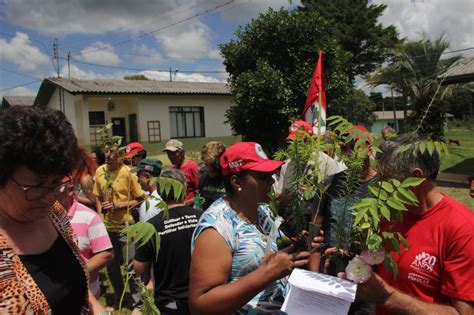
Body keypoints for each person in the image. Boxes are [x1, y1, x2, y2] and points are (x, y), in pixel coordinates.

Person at [352, 134, 474, 314]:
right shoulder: (389, 215)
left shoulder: (462, 228)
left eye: (386, 179)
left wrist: (387, 298)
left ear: (416, 177)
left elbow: (464, 312)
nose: (378, 187)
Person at [0, 106, 105, 314]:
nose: (49, 197)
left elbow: (76, 284)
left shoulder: (56, 214)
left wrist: (98, 308)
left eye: (57, 182)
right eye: (37, 187)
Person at [189, 142, 311, 314]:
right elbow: (201, 304)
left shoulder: (263, 211)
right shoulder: (216, 229)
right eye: (262, 177)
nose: (271, 181)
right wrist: (267, 273)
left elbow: (270, 257)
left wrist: (299, 249)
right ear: (236, 182)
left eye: (270, 174)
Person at [134, 169, 203, 314]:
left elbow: (139, 267)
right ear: (183, 190)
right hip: (203, 294)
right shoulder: (202, 217)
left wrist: (148, 278)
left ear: (159, 191)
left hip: (170, 301)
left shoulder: (150, 226)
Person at [93, 144, 146, 312]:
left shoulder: (128, 172)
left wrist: (119, 205)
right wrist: (101, 218)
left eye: (112, 153)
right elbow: (98, 197)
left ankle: (138, 303)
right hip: (107, 227)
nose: (108, 156)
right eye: (106, 152)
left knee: (131, 266)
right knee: (111, 265)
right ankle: (119, 296)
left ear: (121, 156)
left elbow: (140, 198)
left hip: (126, 226)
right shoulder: (100, 171)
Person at [59, 179, 114, 299]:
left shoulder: (90, 218)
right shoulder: (42, 216)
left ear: (70, 190)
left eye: (56, 189)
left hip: (86, 294)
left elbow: (106, 254)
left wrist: (75, 275)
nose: (49, 195)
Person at [163, 139, 198, 206]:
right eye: (168, 154)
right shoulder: (173, 169)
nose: (170, 157)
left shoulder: (191, 167)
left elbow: (200, 193)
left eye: (173, 154)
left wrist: (186, 203)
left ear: (182, 153)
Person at [198, 141, 226, 210]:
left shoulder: (230, 178)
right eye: (207, 164)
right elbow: (200, 201)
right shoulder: (203, 178)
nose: (210, 169)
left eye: (213, 165)